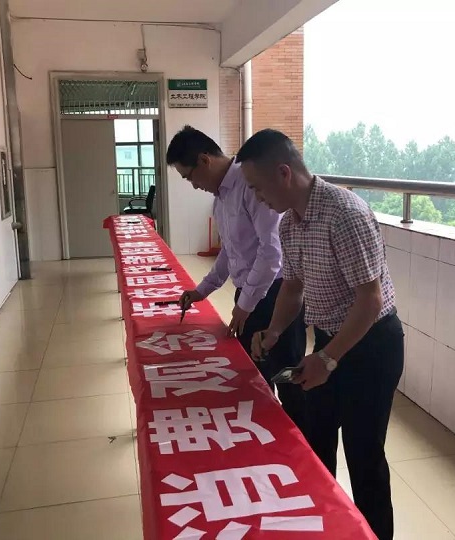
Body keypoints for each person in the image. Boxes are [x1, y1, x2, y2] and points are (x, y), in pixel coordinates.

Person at [237, 129, 404, 540]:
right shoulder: (289, 224)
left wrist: (328, 359)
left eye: (258, 188)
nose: (257, 198)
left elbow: (369, 300)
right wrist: (274, 332)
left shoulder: (344, 213)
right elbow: (293, 287)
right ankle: (324, 529)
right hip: (332, 340)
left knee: (364, 457)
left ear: (284, 173)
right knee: (316, 443)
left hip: (373, 344)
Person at [166, 125, 308, 433]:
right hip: (248, 296)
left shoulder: (251, 185)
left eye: (190, 177)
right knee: (254, 375)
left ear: (204, 160)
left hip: (276, 296)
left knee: (287, 375)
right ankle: (263, 437)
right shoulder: (221, 198)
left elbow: (271, 253)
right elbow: (230, 252)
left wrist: (245, 305)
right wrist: (203, 290)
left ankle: (297, 442)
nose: (193, 186)